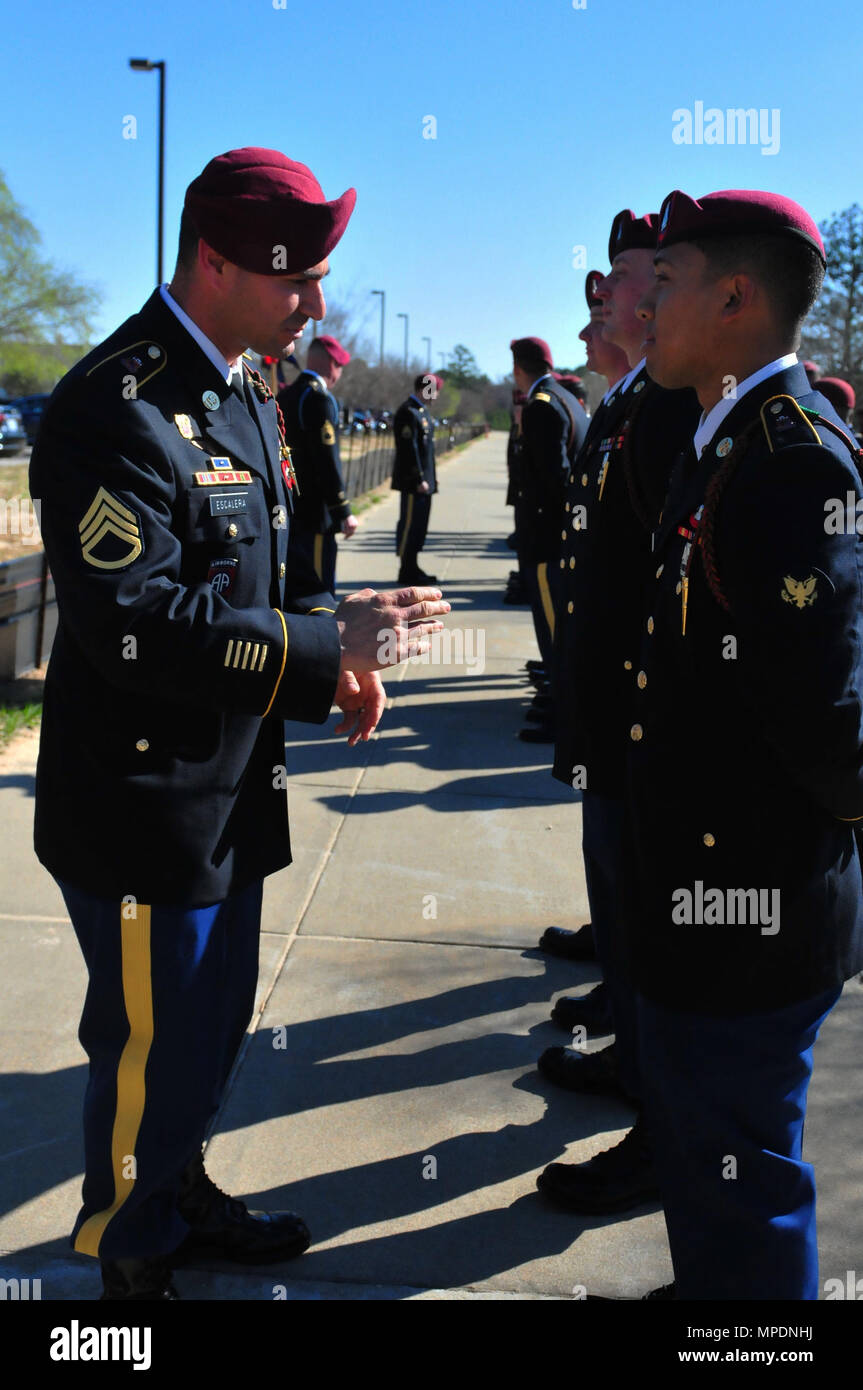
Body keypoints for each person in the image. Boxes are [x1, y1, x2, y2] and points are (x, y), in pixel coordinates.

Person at [29, 146, 449, 1302]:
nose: (314, 302)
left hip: (228, 783)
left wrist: (332, 640)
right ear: (213, 263)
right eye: (294, 279)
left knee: (207, 1037)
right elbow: (138, 624)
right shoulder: (111, 407)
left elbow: (251, 574)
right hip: (144, 808)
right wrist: (319, 654)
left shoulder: (240, 387)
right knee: (147, 1055)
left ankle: (177, 1189)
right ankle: (127, 1254)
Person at [625, 187, 863, 1298]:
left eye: (663, 282)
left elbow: (827, 717)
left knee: (744, 1190)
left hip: (746, 912)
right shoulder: (719, 440)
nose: (643, 306)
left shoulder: (787, 461)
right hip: (695, 901)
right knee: (706, 1178)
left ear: (732, 295)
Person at [536, 215, 701, 1219]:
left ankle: (653, 1111)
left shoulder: (674, 407)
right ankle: (632, 1060)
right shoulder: (631, 401)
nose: (603, 294)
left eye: (630, 276)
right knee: (624, 913)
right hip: (609, 708)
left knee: (648, 919)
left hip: (641, 716)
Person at [509, 336, 587, 743]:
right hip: (558, 537)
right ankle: (560, 703)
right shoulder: (563, 397)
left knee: (555, 632)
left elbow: (554, 481)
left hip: (546, 540)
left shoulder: (542, 405)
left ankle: (564, 717)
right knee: (558, 630)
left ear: (519, 369)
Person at [278, 333, 357, 593]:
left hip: (290, 506)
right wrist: (342, 509)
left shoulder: (287, 395)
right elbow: (327, 460)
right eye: (340, 367)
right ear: (332, 365)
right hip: (315, 511)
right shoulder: (319, 399)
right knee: (319, 590)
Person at [392, 373, 442, 584]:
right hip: (414, 483)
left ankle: (413, 566)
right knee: (410, 526)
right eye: (434, 390)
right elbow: (408, 450)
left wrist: (431, 478)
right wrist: (419, 478)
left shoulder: (422, 413)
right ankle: (406, 569)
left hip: (425, 483)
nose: (436, 395)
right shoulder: (408, 412)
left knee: (420, 527)